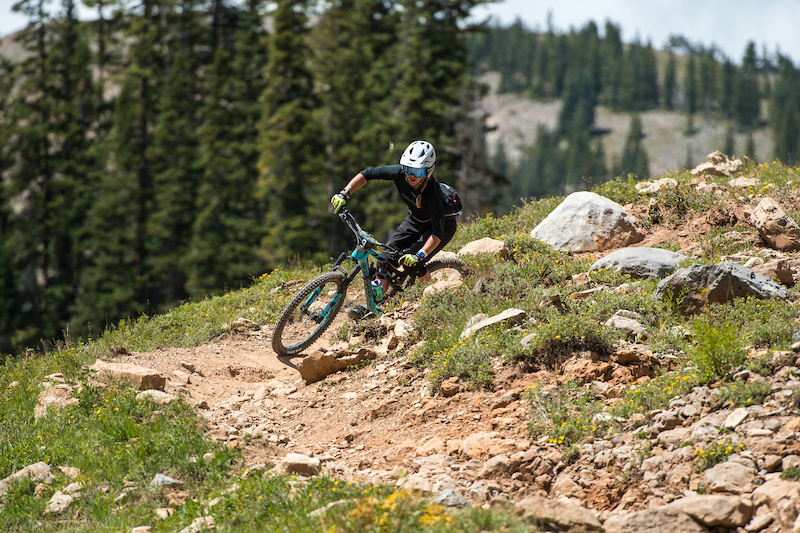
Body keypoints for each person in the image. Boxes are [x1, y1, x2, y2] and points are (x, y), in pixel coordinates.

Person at [330, 140, 459, 320]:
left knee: (412, 263)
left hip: (440, 227)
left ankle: (434, 300)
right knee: (384, 259)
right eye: (408, 168)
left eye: (418, 171)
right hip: (414, 219)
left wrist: (419, 255)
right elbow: (368, 174)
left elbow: (437, 233)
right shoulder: (400, 173)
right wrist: (345, 193)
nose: (411, 175)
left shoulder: (433, 192)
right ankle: (373, 307)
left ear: (428, 171)